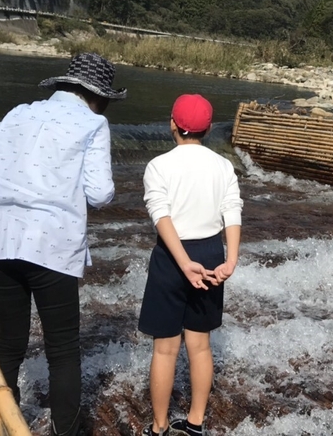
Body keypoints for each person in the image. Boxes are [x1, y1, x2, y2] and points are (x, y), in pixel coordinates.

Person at [0, 52, 125, 436]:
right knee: (62, 351)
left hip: (0, 238)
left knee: (10, 340)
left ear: (61, 84)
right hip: (51, 244)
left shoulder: (18, 113)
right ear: (100, 97)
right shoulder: (93, 124)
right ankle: (65, 432)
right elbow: (100, 193)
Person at [139, 94, 243, 436]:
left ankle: (159, 427)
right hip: (212, 254)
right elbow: (232, 210)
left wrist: (183, 263)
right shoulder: (222, 165)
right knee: (200, 346)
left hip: (172, 257)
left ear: (173, 124)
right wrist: (231, 259)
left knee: (165, 349)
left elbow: (161, 216)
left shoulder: (159, 165)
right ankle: (196, 422)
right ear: (209, 129)